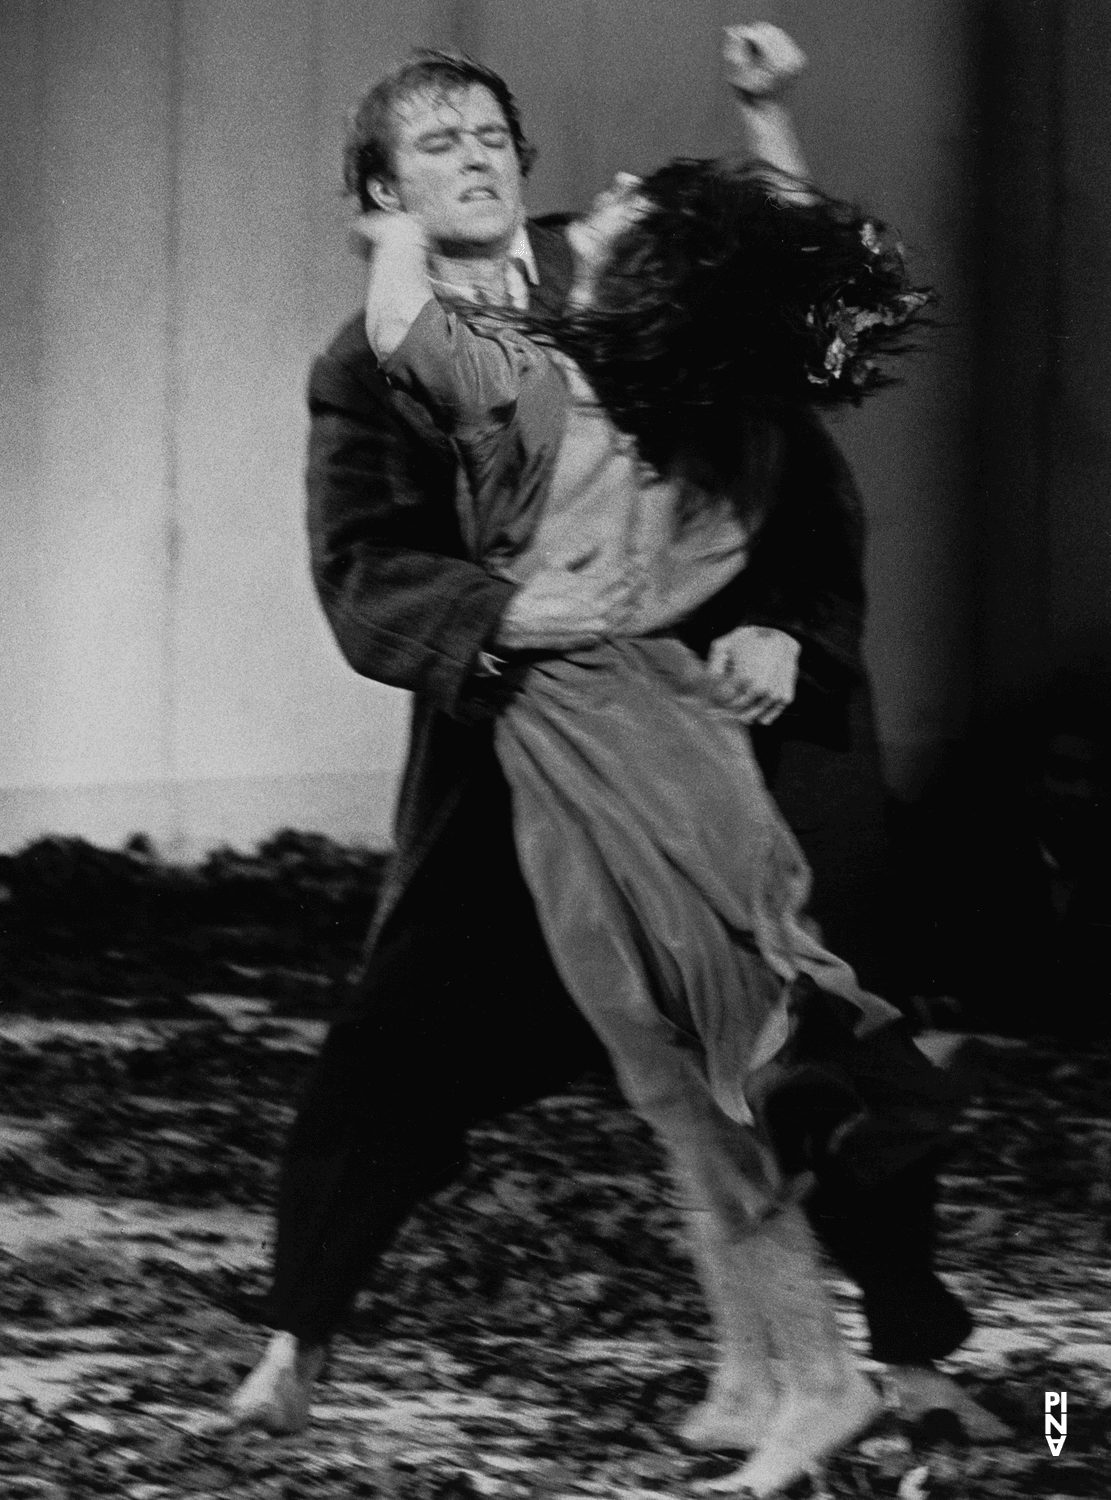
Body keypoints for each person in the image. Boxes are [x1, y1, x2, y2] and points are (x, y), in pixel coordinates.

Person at [228, 27, 1002, 1459]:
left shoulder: (626, 273)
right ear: (381, 188)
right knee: (447, 1034)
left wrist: (789, 629)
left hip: (735, 697)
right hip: (532, 711)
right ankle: (304, 1330)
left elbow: (822, 348)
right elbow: (366, 565)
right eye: (433, 140)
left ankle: (884, 1356)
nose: (471, 156)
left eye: (485, 135)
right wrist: (505, 614)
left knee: (786, 1028)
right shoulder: (376, 362)